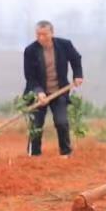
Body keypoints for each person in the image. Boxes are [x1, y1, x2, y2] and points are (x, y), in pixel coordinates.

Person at [22, 20, 83, 157]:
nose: (41, 38)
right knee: (36, 124)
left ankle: (66, 153)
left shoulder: (64, 45)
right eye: (38, 34)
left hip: (59, 91)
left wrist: (78, 75)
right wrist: (39, 92)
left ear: (52, 33)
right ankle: (34, 154)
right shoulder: (30, 51)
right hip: (37, 93)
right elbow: (30, 76)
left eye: (44, 34)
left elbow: (76, 59)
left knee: (61, 122)